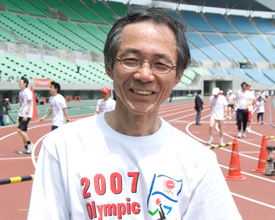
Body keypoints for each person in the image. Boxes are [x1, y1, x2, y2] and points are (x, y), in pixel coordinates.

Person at [28, 7, 241, 219]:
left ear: (178, 76)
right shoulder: (61, 148)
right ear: (109, 66)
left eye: (160, 64)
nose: (144, 75)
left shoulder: (198, 161)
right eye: (131, 60)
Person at [17, 77, 34, 154]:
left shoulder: (28, 92)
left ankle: (30, 144)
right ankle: (26, 147)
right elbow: (21, 104)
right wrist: (18, 114)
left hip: (26, 114)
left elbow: (29, 103)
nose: (19, 83)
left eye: (21, 82)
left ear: (25, 83)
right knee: (23, 131)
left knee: (19, 130)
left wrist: (26, 114)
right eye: (19, 82)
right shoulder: (20, 93)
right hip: (21, 113)